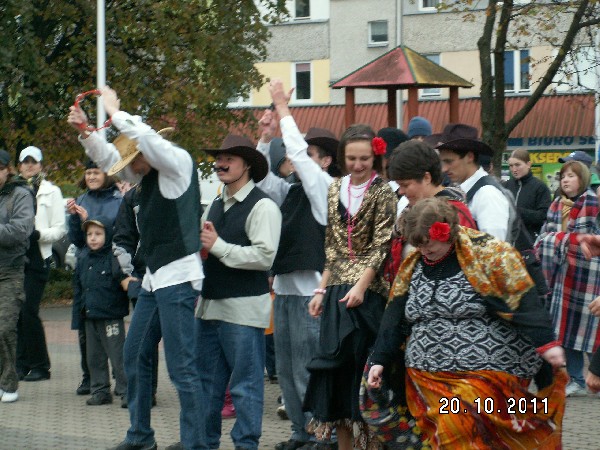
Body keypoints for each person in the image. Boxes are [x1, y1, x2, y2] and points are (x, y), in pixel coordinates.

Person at [368, 198, 567, 448]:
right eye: (418, 245)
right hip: (427, 377)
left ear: (447, 233)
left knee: (458, 424)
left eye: (429, 244)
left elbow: (524, 301)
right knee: (453, 433)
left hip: (483, 374)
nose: (424, 251)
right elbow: (394, 317)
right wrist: (379, 360)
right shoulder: (412, 266)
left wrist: (547, 344)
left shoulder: (490, 255)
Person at [68, 85, 204, 450]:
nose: (129, 170)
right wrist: (86, 132)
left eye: (134, 161)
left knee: (182, 367)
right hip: (155, 280)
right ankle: (141, 436)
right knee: (134, 354)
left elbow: (143, 142)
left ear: (147, 151)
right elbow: (110, 157)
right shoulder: (147, 175)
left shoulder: (178, 164)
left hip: (179, 278)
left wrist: (116, 112)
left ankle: (195, 443)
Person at [256, 78, 338, 450]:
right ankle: (298, 432)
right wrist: (265, 138)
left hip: (311, 293)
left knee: (307, 367)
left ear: (326, 161)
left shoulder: (326, 188)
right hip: (286, 290)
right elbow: (261, 180)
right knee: (286, 369)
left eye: (311, 154)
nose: (299, 159)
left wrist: (283, 110)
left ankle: (319, 434)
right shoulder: (291, 190)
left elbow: (300, 161)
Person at [302, 124, 396, 450]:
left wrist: (361, 286)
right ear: (342, 157)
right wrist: (320, 289)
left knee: (362, 376)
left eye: (364, 159)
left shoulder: (383, 191)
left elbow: (382, 245)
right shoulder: (334, 188)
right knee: (338, 378)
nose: (358, 165)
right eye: (352, 158)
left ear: (375, 156)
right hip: (336, 292)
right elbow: (331, 245)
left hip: (369, 294)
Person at [195, 134, 281, 450]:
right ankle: (205, 444)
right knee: (207, 387)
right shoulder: (215, 204)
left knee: (245, 386)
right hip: (209, 307)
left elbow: (265, 257)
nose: (221, 163)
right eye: (219, 158)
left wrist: (218, 246)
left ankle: (246, 445)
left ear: (247, 165)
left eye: (229, 158)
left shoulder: (263, 205)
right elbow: (204, 250)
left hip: (243, 310)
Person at [535, 160, 600, 397]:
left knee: (590, 330)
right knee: (565, 330)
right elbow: (545, 235)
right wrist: (558, 239)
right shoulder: (556, 203)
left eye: (571, 175)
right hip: (562, 276)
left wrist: (555, 239)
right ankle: (577, 378)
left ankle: (595, 375)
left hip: (587, 275)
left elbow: (581, 238)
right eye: (563, 176)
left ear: (582, 179)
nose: (565, 180)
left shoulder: (590, 201)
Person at [66, 157, 122, 396]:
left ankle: (120, 379)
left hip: (109, 268)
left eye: (96, 172)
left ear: (106, 174)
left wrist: (89, 221)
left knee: (110, 331)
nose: (91, 177)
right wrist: (73, 218)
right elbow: (76, 239)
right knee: (84, 326)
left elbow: (120, 233)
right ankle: (90, 377)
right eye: (88, 173)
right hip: (85, 268)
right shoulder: (80, 200)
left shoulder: (118, 200)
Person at [15, 146, 66, 382]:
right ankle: (21, 364)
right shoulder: (12, 190)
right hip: (16, 257)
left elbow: (59, 229)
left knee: (29, 311)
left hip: (38, 256)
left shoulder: (51, 191)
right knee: (16, 313)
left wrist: (38, 234)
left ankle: (40, 365)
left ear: (41, 165)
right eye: (25, 161)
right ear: (19, 166)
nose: (29, 165)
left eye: (33, 161)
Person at [73, 217, 128, 406]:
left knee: (118, 355)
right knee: (94, 357)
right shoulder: (83, 258)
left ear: (108, 235)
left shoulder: (114, 258)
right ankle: (100, 390)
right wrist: (78, 317)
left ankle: (127, 390)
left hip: (111, 316)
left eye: (98, 234)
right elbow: (79, 289)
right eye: (89, 234)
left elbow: (123, 281)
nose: (93, 238)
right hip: (90, 316)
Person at [0, 149, 35, 403]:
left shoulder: (20, 194)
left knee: (4, 328)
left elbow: (21, 230)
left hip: (9, 271)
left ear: (7, 170)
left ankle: (9, 383)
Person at [436, 123, 510, 240]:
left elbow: (494, 245)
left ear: (470, 157)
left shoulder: (487, 194)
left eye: (449, 161)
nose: (444, 169)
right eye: (443, 162)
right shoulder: (464, 189)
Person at [504, 149, 552, 239]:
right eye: (511, 166)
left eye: (517, 165)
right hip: (508, 240)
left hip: (530, 240)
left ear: (528, 164)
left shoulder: (540, 187)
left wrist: (517, 212)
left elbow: (544, 216)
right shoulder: (506, 186)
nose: (514, 169)